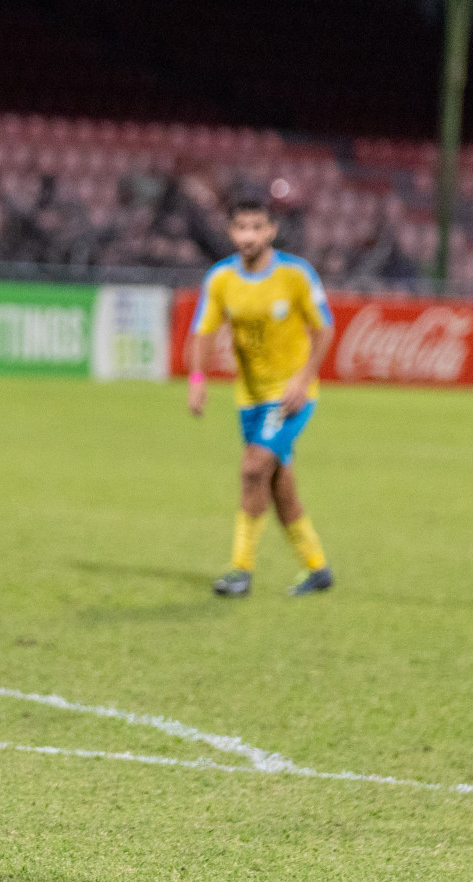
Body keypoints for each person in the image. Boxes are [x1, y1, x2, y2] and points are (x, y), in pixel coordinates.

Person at [187, 199, 334, 597]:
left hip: (290, 396)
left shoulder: (295, 274)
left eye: (256, 227)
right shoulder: (220, 279)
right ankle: (317, 568)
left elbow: (324, 329)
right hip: (248, 398)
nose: (248, 236)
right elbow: (202, 331)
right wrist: (198, 379)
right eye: (240, 227)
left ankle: (240, 570)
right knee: (278, 485)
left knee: (253, 468)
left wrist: (303, 380)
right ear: (230, 231)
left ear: (271, 231)